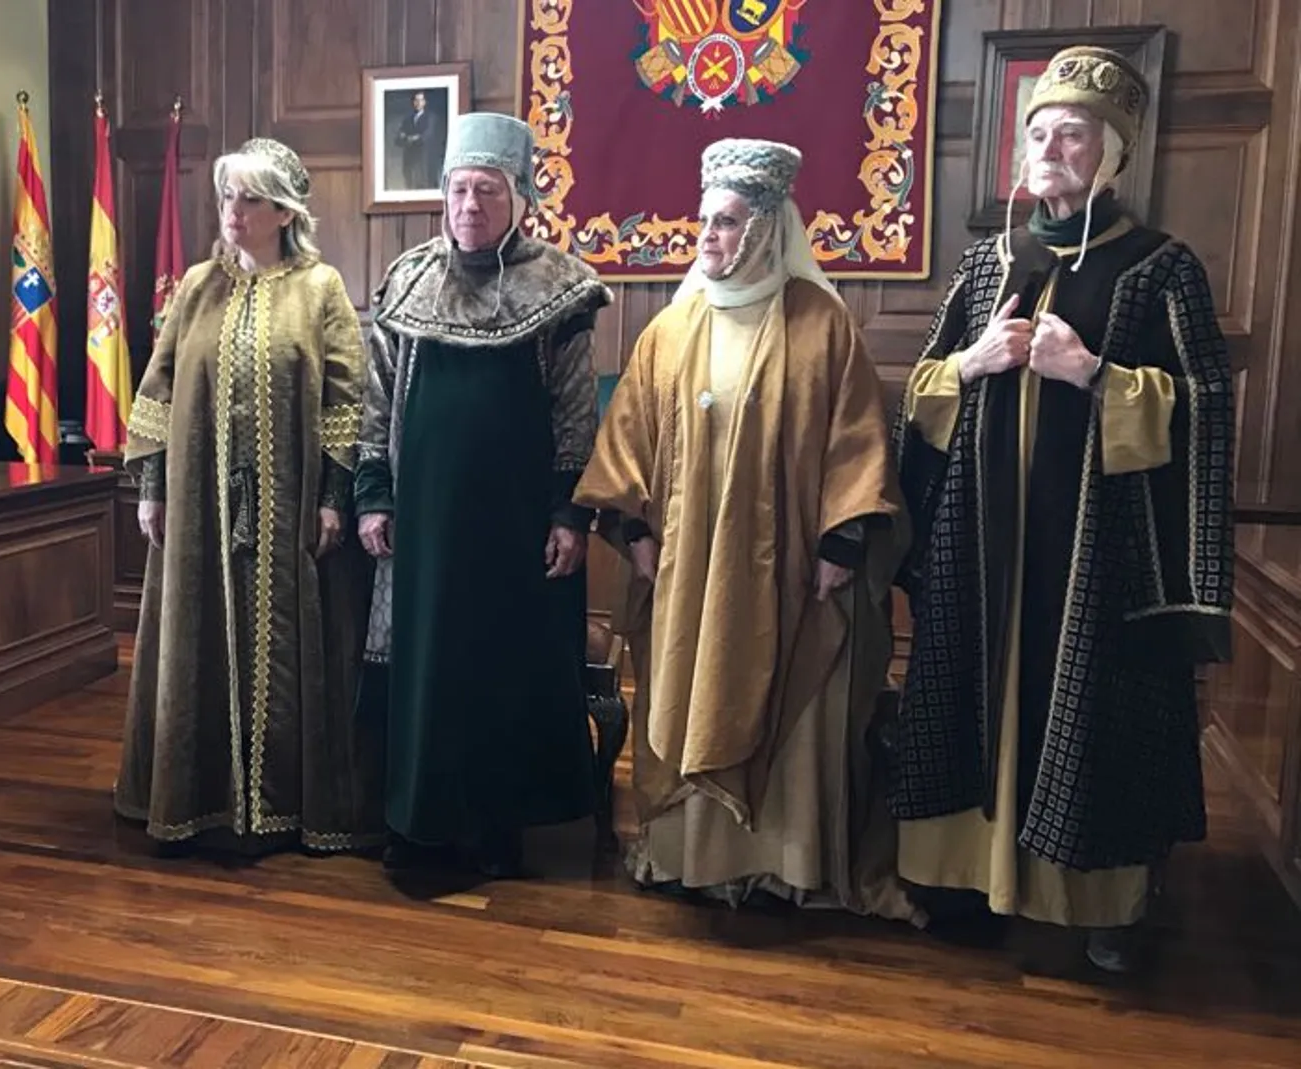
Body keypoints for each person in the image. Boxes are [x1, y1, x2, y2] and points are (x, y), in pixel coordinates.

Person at [890, 46, 1235, 972]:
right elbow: (919, 394)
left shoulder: (1161, 267)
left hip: (1100, 552)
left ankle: (1099, 903)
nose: (1049, 147)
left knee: (1093, 712)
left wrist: (1092, 375)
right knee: (968, 690)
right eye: (1037, 132)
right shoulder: (985, 260)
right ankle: (962, 877)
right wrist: (973, 365)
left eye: (1072, 134)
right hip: (980, 542)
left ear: (1112, 154)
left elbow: (1204, 403)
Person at [573, 139, 918, 922]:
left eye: (726, 224)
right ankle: (691, 858)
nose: (708, 239)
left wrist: (841, 543)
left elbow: (857, 440)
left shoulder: (823, 324)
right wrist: (632, 530)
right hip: (687, 572)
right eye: (704, 223)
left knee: (789, 697)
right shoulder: (673, 326)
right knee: (687, 689)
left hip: (790, 568)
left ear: (767, 227)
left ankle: (782, 864)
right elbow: (626, 437)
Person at [356, 112, 608, 877]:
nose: (471, 205)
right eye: (460, 189)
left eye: (488, 191)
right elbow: (375, 401)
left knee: (503, 674)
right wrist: (374, 494)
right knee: (426, 675)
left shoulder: (557, 290)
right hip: (424, 530)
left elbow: (573, 413)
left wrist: (570, 513)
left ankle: (495, 835)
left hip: (514, 528)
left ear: (519, 199)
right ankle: (419, 833)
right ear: (444, 195)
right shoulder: (406, 280)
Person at [116, 138, 380, 855]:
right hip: (198, 506)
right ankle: (201, 800)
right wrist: (153, 486)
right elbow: (160, 388)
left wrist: (332, 493)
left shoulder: (319, 288)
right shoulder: (198, 286)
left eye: (250, 200)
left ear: (283, 212)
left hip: (292, 509)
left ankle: (285, 807)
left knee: (291, 647)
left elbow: (344, 399)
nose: (234, 211)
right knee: (198, 636)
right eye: (228, 197)